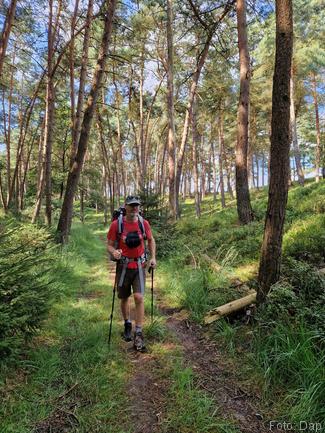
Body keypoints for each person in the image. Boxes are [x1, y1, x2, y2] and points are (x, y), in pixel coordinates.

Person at [107, 195, 156, 351]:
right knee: (123, 297)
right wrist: (114, 252)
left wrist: (153, 257)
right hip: (123, 267)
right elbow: (109, 245)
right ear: (125, 207)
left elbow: (150, 239)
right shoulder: (117, 225)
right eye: (131, 205)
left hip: (139, 266)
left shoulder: (143, 223)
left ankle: (139, 332)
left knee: (139, 297)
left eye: (137, 205)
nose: (135, 208)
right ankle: (127, 324)